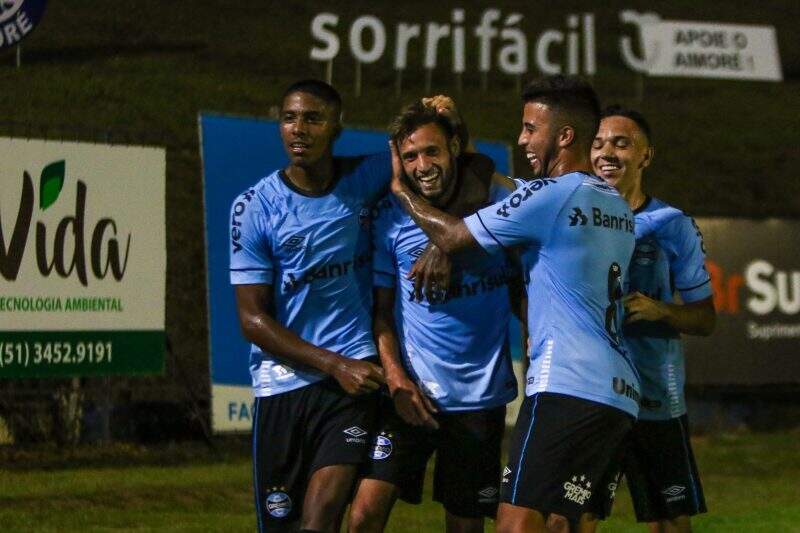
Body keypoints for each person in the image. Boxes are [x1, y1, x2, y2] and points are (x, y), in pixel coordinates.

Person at [230, 79, 494, 532]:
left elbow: (468, 164)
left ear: (337, 126)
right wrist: (332, 365)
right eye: (290, 118)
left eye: (313, 119)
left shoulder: (368, 176)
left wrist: (449, 244)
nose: (299, 129)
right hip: (284, 384)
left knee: (326, 516)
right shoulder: (254, 207)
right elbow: (252, 320)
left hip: (352, 384)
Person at [386, 74, 639, 533]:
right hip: (617, 393)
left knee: (514, 524)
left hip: (566, 383)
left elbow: (454, 233)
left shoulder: (551, 197)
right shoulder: (614, 203)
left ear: (564, 136)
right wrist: (460, 138)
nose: (521, 140)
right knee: (565, 525)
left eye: (529, 129)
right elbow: (493, 184)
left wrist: (402, 192)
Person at [348, 101, 518, 533]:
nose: (422, 165)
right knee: (363, 513)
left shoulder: (500, 202)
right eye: (409, 156)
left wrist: (446, 243)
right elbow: (382, 314)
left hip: (479, 400)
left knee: (465, 525)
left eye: (432, 152)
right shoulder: (388, 220)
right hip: (412, 396)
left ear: (454, 149)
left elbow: (503, 190)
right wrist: (396, 380)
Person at [592, 105, 716, 533]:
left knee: (667, 522)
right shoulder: (575, 217)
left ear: (645, 156)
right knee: (566, 519)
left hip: (654, 399)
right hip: (591, 392)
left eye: (621, 143)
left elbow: (705, 318)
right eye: (598, 143)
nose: (607, 152)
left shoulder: (670, 224)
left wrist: (662, 310)